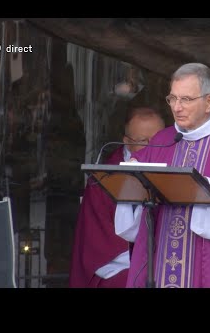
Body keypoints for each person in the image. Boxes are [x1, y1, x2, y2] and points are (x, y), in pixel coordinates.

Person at [115, 63, 210, 288]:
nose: (177, 107)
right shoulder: (164, 139)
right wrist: (131, 173)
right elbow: (138, 185)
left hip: (206, 264)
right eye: (172, 99)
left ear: (209, 102)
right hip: (161, 258)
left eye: (186, 100)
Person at [69, 107, 165, 288]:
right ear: (127, 143)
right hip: (120, 267)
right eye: (144, 141)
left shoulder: (176, 170)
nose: (153, 146)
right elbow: (99, 244)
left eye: (159, 139)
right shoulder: (104, 179)